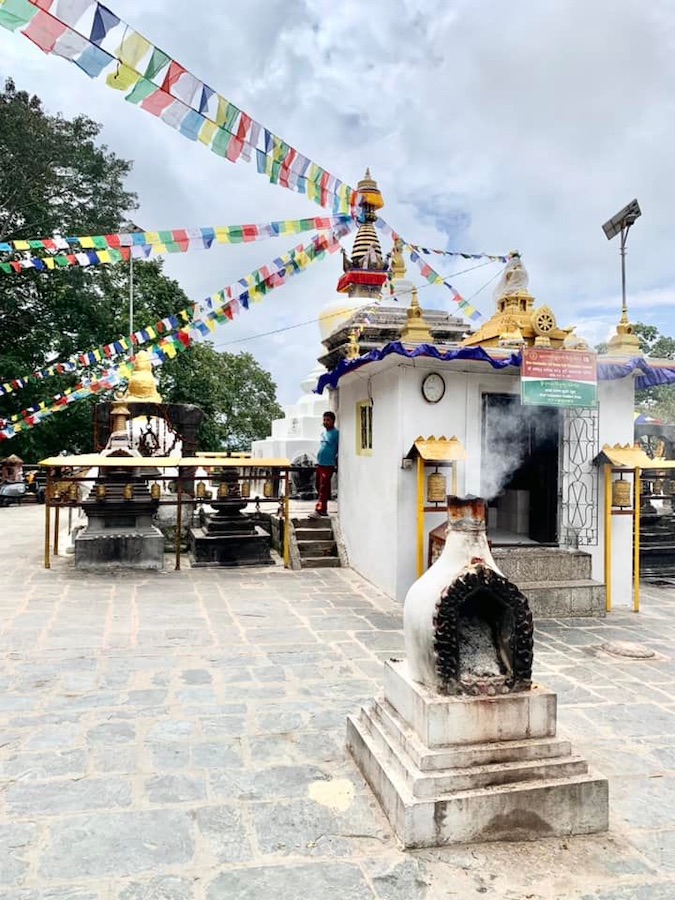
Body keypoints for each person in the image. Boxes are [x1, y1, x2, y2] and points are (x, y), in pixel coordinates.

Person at [313, 411, 339, 518]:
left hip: (328, 465)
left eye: (328, 420)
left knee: (323, 488)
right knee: (319, 487)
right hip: (320, 464)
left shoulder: (336, 433)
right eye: (324, 420)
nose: (325, 422)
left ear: (333, 421)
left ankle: (320, 510)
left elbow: (338, 448)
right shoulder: (323, 433)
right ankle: (323, 508)